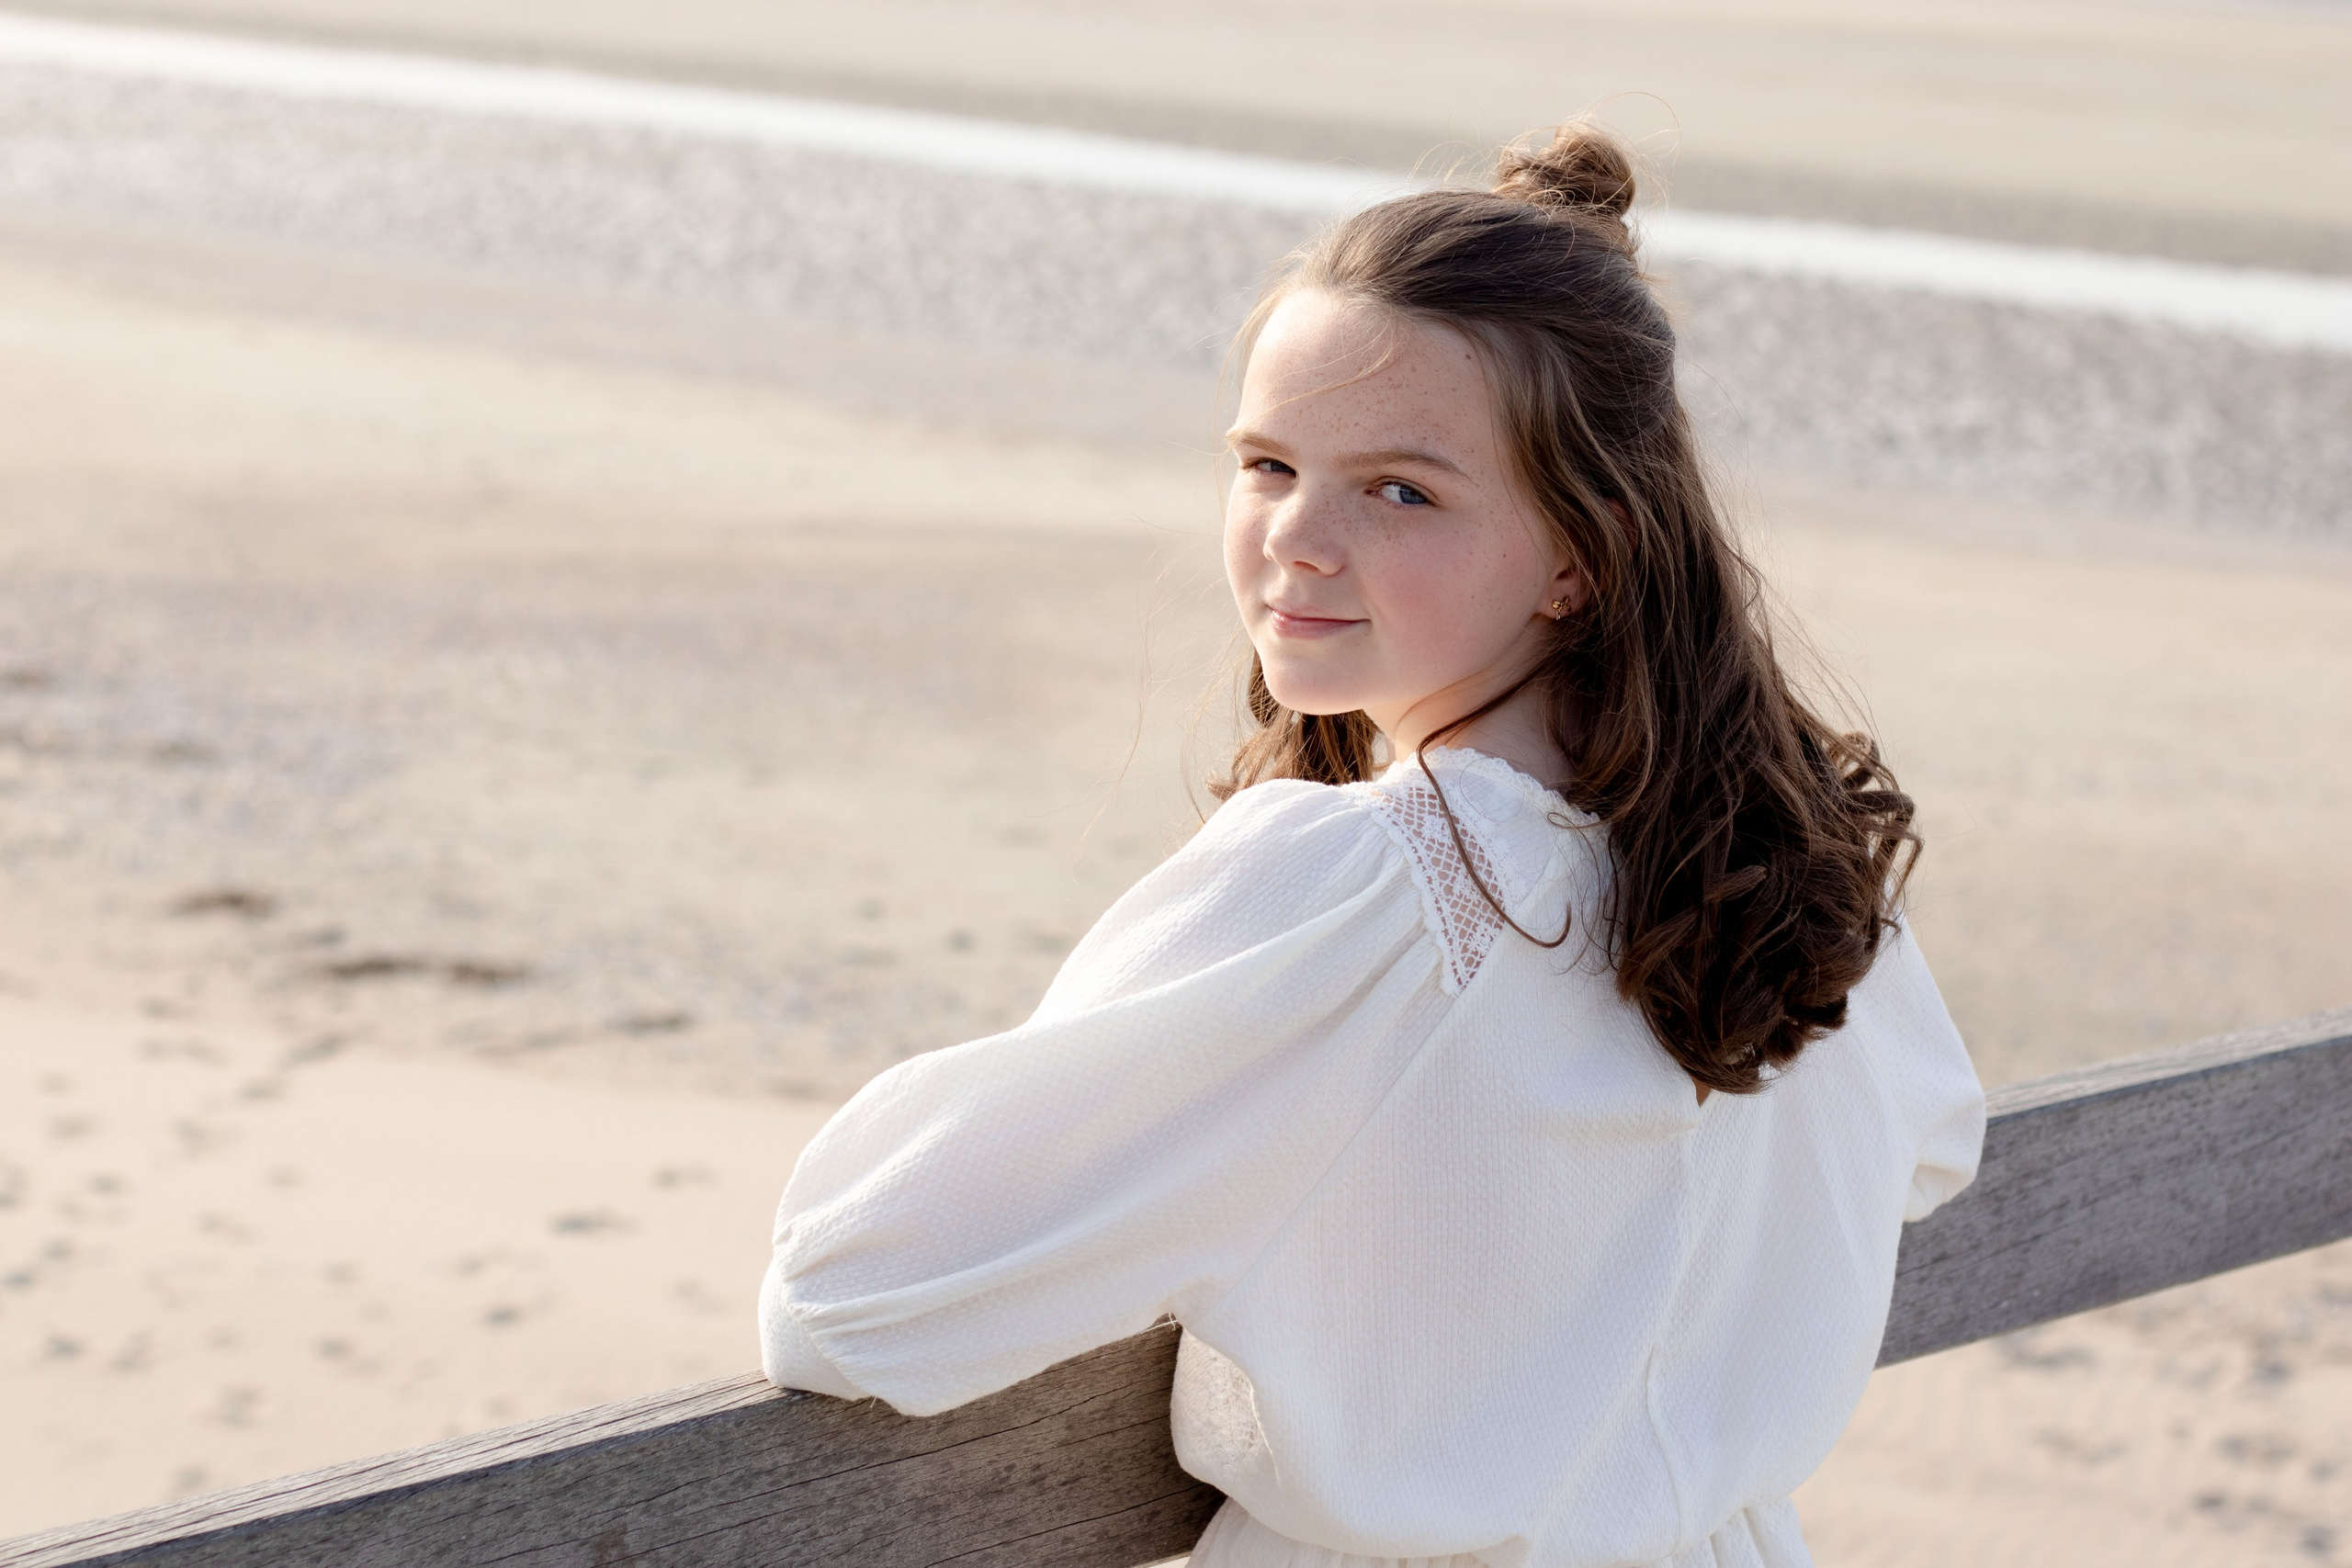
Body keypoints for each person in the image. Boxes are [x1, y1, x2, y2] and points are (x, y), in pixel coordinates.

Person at [757, 119, 1985, 1568]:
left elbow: (850, 1294)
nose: (1298, 538)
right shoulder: (1787, 866)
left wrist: (1269, 1235)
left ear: (1583, 553)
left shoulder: (1389, 886)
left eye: (1401, 490)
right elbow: (1931, 1149)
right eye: (1268, 463)